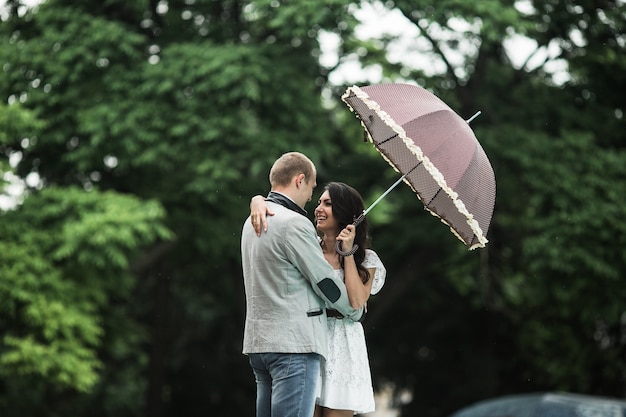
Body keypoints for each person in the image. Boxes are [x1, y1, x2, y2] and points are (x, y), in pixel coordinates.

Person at [241, 152, 365, 417]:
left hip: (259, 344)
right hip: (292, 347)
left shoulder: (251, 222)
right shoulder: (295, 224)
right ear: (299, 180)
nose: (310, 197)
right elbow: (325, 282)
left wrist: (257, 199)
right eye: (311, 187)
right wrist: (354, 310)